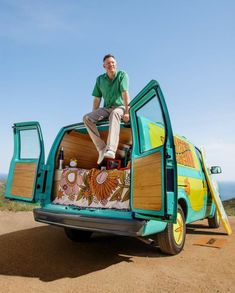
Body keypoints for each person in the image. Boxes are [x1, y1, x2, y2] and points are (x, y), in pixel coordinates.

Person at [83, 54, 130, 164]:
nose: (111, 64)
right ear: (104, 66)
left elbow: (125, 93)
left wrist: (127, 112)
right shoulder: (100, 80)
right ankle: (101, 148)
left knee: (114, 114)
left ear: (116, 64)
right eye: (108, 63)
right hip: (107, 108)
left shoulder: (122, 75)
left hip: (121, 107)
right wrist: (94, 113)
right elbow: (97, 98)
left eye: (113, 62)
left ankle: (111, 149)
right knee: (87, 118)